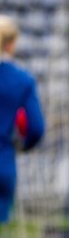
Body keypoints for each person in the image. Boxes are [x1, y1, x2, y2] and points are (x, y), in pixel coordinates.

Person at [0, 15, 45, 224]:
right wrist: (23, 145)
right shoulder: (22, 80)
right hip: (3, 162)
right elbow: (36, 128)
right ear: (11, 45)